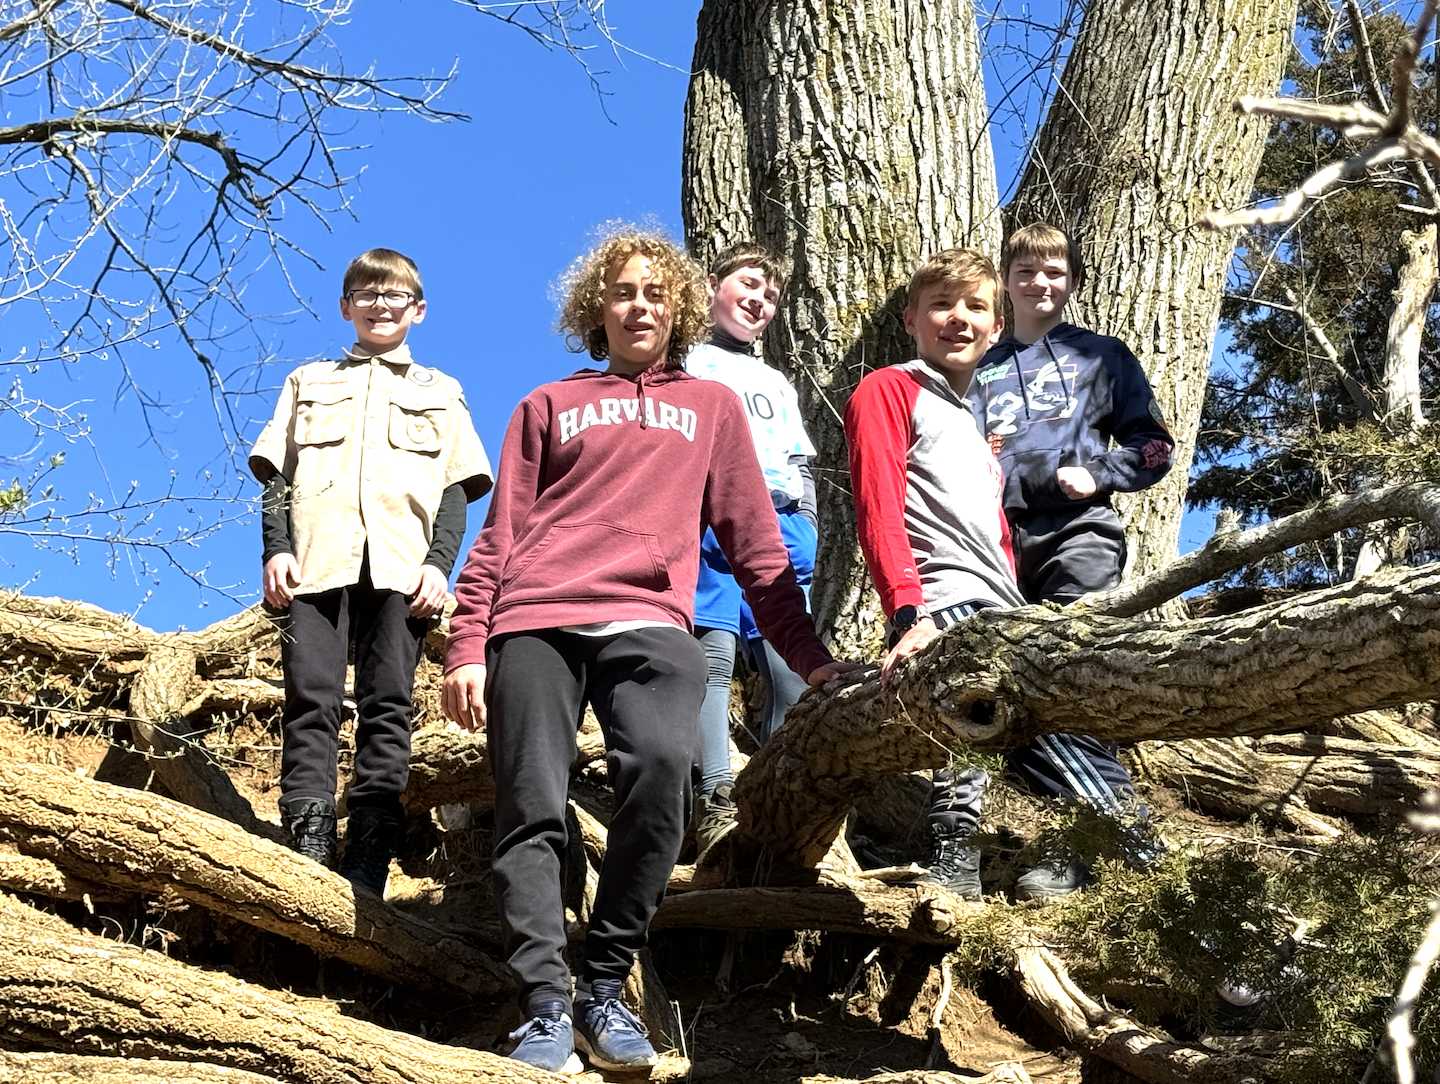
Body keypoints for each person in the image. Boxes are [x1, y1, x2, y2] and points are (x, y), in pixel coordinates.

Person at [441, 226, 857, 1075]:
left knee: (663, 780)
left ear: (680, 310)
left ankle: (603, 985)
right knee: (531, 804)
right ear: (596, 307)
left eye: (656, 293)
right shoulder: (547, 404)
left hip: (650, 619)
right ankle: (544, 1005)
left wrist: (809, 657)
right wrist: (466, 644)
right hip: (536, 616)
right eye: (623, 292)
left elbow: (759, 549)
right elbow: (499, 534)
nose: (640, 306)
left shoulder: (711, 408)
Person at [249, 247, 492, 895]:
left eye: (394, 296)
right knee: (311, 698)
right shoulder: (308, 381)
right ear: (346, 307)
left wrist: (439, 566)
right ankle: (308, 836)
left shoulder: (440, 391)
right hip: (315, 564)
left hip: (401, 570)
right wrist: (276, 549)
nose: (380, 306)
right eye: (367, 295)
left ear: (418, 309)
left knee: (388, 705)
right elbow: (277, 475)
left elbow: (454, 490)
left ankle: (369, 849)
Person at [967, 222, 1174, 898]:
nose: (1040, 283)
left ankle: (1140, 857)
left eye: (1055, 272)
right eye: (1026, 271)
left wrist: (1100, 473)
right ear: (1007, 281)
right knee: (1007, 696)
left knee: (1068, 677)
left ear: (1074, 282)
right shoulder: (978, 366)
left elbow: (1155, 446)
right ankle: (1075, 846)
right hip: (995, 545)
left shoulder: (1101, 356)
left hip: (1078, 535)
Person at [844, 248, 1025, 902]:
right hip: (942, 597)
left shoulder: (978, 425)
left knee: (1051, 732)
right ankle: (954, 855)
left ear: (996, 328)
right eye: (941, 305)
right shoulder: (890, 388)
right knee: (967, 720)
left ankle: (1076, 860)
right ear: (911, 319)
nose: (958, 319)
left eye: (976, 307)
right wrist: (907, 611)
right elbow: (878, 503)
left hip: (1004, 604)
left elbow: (997, 534)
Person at [686, 241, 819, 860]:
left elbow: (797, 457)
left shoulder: (774, 380)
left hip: (782, 521)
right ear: (713, 286)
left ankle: (778, 798)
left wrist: (807, 521)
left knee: (789, 662)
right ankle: (714, 793)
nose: (759, 300)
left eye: (770, 294)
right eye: (747, 284)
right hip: (712, 519)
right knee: (712, 654)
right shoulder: (689, 360)